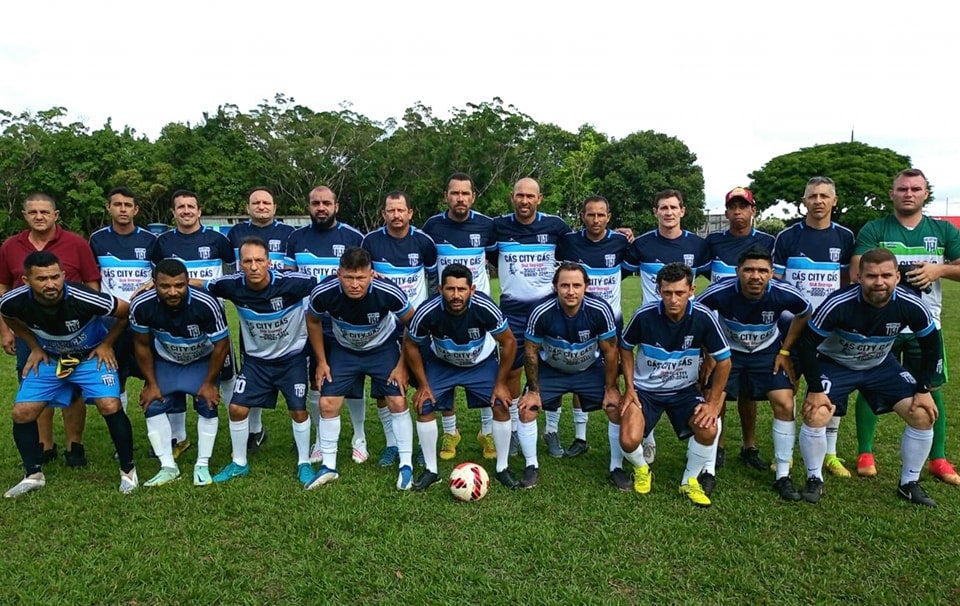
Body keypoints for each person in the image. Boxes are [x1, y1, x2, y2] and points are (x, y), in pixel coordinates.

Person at [796, 248, 940, 506]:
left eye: (886, 275)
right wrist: (816, 389)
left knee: (922, 413)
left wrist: (924, 388)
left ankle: (909, 483)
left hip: (880, 366)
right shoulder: (839, 303)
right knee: (816, 413)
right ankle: (814, 479)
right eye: (871, 276)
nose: (879, 282)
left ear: (897, 276)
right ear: (859, 277)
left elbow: (931, 344)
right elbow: (807, 344)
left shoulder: (911, 304)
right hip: (836, 363)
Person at [851, 168, 960, 484]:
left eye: (915, 188)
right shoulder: (876, 228)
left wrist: (938, 270)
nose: (908, 193)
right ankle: (865, 451)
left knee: (932, 387)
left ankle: (938, 458)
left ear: (926, 193)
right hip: (880, 325)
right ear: (892, 194)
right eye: (902, 189)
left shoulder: (942, 231)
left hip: (927, 324)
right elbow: (858, 270)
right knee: (870, 384)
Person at [0, 251, 138, 497]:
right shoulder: (13, 301)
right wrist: (34, 346)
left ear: (63, 275)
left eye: (55, 277)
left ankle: (128, 471)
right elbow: (9, 317)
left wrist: (106, 344)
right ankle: (33, 475)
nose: (51, 284)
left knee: (109, 404)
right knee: (22, 413)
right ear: (26, 280)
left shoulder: (84, 298)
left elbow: (126, 311)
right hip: (51, 360)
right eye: (42, 279)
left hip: (89, 358)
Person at [200, 238, 317, 486]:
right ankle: (239, 462)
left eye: (259, 260)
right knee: (237, 408)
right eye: (248, 261)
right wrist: (153, 284)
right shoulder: (231, 286)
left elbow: (329, 283)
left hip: (292, 359)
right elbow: (198, 283)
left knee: (298, 410)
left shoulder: (293, 283)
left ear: (269, 262)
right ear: (240, 264)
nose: (253, 266)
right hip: (257, 362)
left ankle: (304, 462)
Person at [697, 248, 811, 500]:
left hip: (766, 353)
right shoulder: (720, 292)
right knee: (713, 401)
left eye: (762, 271)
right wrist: (709, 354)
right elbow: (697, 316)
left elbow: (805, 312)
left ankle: (783, 474)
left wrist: (784, 351)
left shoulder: (784, 292)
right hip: (728, 353)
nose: (755, 276)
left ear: (772, 273)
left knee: (784, 402)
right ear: (738, 272)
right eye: (748, 270)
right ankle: (707, 468)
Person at [618, 262, 731, 507]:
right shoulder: (644, 315)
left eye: (679, 293)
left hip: (684, 391)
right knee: (628, 439)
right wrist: (629, 387)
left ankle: (689, 480)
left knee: (709, 428)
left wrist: (712, 404)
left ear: (691, 290)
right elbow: (625, 348)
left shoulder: (703, 317)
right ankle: (642, 469)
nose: (673, 299)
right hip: (646, 391)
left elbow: (724, 361)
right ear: (658, 290)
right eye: (667, 292)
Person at [304, 246, 417, 491]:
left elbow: (412, 321)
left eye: (361, 278)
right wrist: (322, 361)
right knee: (327, 403)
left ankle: (406, 465)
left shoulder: (388, 291)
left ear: (372, 275)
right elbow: (312, 320)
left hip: (382, 349)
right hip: (345, 350)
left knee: (397, 401)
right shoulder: (324, 292)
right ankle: (329, 467)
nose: (355, 284)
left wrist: (402, 365)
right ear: (338, 274)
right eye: (348, 277)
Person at [0, 193, 99, 467]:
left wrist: (92, 328)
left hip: (71, 332)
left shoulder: (76, 244)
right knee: (35, 385)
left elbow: (92, 284)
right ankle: (45, 446)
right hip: (29, 331)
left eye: (44, 212)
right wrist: (5, 330)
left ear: (56, 215)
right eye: (33, 212)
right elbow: (3, 288)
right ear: (25, 215)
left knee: (73, 385)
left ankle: (74, 446)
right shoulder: (10, 246)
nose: (39, 216)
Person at [403, 263, 518, 490]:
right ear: (441, 289)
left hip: (480, 363)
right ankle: (431, 470)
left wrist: (501, 383)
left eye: (462, 289)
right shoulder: (428, 310)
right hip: (443, 363)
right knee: (424, 404)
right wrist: (424, 384)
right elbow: (411, 345)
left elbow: (509, 342)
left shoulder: (485, 306)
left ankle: (502, 468)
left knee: (501, 404)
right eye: (450, 289)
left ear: (472, 290)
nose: (456, 295)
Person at [772, 176, 855, 478]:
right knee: (788, 387)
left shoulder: (845, 237)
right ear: (804, 201)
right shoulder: (787, 237)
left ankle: (830, 454)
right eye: (812, 196)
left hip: (831, 330)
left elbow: (847, 283)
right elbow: (778, 284)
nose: (818, 201)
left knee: (832, 391)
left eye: (824, 196)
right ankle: (788, 454)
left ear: (834, 201)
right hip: (791, 327)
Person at [622, 189, 710, 466]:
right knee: (649, 377)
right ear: (655, 212)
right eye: (663, 208)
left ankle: (707, 448)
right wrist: (616, 236)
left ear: (683, 211)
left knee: (694, 380)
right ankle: (646, 437)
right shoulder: (642, 244)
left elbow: (715, 277)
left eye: (674, 207)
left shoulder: (698, 245)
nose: (669, 212)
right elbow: (615, 271)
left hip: (687, 325)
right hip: (651, 324)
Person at [517, 262, 625, 489]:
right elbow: (530, 352)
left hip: (589, 370)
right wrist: (534, 391)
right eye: (564, 285)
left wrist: (612, 388)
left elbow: (611, 351)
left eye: (577, 285)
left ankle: (617, 467)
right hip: (552, 370)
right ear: (555, 287)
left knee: (615, 406)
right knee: (527, 408)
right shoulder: (541, 312)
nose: (571, 291)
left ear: (587, 286)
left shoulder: (600, 309)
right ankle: (531, 466)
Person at [152, 189, 237, 460]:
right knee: (174, 375)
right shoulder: (162, 242)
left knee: (227, 374)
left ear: (199, 211)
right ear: (173, 212)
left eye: (191, 206)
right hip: (174, 320)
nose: (186, 211)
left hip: (213, 321)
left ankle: (238, 427)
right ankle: (179, 437)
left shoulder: (218, 240)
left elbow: (231, 275)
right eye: (181, 207)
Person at [130, 259, 230, 487]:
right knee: (153, 403)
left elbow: (221, 345)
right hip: (167, 360)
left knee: (207, 402)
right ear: (154, 283)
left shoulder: (207, 303)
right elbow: (141, 345)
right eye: (165, 286)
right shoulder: (142, 305)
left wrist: (209, 383)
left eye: (179, 285)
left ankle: (202, 464)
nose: (173, 291)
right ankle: (167, 466)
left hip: (201, 359)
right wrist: (151, 383)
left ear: (187, 282)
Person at [285, 186, 367, 465]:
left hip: (346, 322)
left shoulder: (353, 237)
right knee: (316, 380)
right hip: (307, 322)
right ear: (308, 206)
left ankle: (360, 437)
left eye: (326, 203)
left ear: (336, 206)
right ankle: (320, 440)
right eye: (315, 203)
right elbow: (289, 279)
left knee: (354, 382)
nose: (321, 208)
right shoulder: (295, 238)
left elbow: (362, 276)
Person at [491, 177, 572, 456]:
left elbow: (581, 245)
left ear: (540, 198)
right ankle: (514, 428)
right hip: (512, 310)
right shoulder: (498, 227)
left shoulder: (556, 227)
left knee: (553, 365)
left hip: (548, 309)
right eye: (519, 195)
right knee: (512, 368)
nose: (524, 201)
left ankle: (551, 429)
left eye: (530, 196)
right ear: (512, 197)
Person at [421, 173, 499, 460]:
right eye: (455, 193)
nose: (460, 199)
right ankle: (450, 432)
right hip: (444, 307)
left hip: (477, 309)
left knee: (481, 366)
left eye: (466, 193)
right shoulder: (432, 226)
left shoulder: (487, 225)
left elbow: (496, 257)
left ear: (473, 196)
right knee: (444, 362)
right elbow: (428, 266)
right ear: (446, 196)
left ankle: (487, 431)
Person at [703, 187, 777, 472]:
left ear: (752, 211)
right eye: (732, 207)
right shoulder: (713, 242)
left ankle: (749, 445)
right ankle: (717, 446)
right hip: (721, 328)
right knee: (718, 391)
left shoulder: (768, 241)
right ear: (726, 212)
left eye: (743, 207)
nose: (737, 212)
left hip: (758, 330)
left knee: (748, 393)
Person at [550, 196, 630, 460]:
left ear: (609, 216)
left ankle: (598, 436)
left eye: (601, 215)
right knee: (569, 365)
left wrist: (628, 234)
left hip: (610, 322)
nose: (596, 220)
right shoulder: (569, 242)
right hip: (576, 317)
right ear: (582, 216)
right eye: (590, 215)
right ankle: (564, 433)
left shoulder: (620, 242)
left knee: (610, 378)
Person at [362, 191, 438, 465]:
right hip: (381, 327)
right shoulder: (370, 241)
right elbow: (363, 275)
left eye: (400, 210)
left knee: (421, 385)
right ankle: (393, 444)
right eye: (390, 211)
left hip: (415, 325)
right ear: (383, 214)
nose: (396, 215)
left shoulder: (423, 241)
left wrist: (428, 317)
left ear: (410, 213)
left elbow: (432, 279)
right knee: (385, 390)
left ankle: (420, 445)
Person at [227, 186, 296, 454]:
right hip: (250, 311)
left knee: (297, 370)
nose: (262, 206)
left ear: (275, 207)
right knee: (251, 368)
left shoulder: (288, 233)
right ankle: (255, 430)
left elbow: (292, 270)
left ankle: (302, 435)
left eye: (267, 202)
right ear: (248, 208)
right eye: (256, 202)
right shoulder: (235, 234)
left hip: (284, 310)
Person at [89, 186, 158, 418]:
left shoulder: (150, 240)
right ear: (109, 207)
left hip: (145, 319)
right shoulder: (97, 239)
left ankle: (164, 434)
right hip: (111, 320)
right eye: (117, 204)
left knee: (153, 376)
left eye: (128, 205)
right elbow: (93, 280)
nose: (123, 209)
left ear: (136, 209)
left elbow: (162, 277)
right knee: (115, 378)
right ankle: (123, 433)